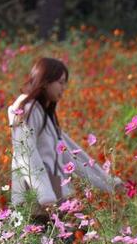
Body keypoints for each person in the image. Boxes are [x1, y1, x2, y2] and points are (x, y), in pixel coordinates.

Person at [8, 57, 123, 232]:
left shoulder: (46, 115)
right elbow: (26, 155)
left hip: (52, 195)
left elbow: (71, 154)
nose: (64, 88)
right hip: (34, 198)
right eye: (60, 82)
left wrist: (108, 183)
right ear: (45, 81)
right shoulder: (27, 109)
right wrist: (45, 195)